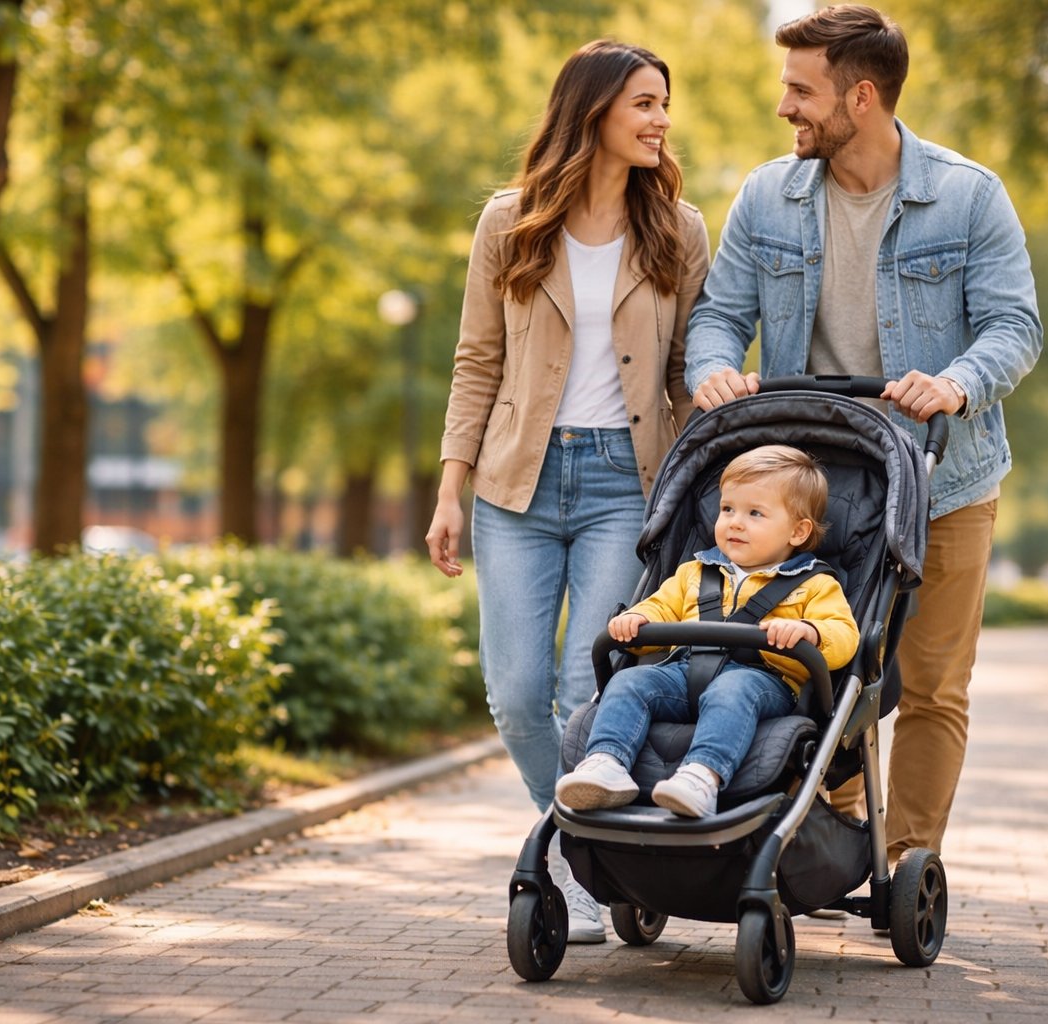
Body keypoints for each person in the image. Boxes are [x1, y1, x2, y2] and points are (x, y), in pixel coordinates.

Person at [684, 5, 1042, 866]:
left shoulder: (967, 196)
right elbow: (718, 315)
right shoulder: (768, 194)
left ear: (864, 97)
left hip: (944, 481)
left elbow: (1013, 327)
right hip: (819, 486)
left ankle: (902, 863)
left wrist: (955, 382)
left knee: (928, 687)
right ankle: (837, 835)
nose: (785, 108)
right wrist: (712, 369)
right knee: (824, 668)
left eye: (801, 91)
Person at [426, 40, 711, 942]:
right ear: (590, 111)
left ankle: (583, 867)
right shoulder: (509, 223)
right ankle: (587, 846)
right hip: (516, 481)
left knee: (584, 683)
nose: (661, 120)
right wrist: (449, 489)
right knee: (514, 692)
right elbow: (477, 361)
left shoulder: (680, 229)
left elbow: (684, 374)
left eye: (664, 103)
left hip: (626, 486)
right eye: (644, 103)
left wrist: (698, 492)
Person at [556, 445, 859, 818]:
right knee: (628, 684)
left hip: (763, 681)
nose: (734, 522)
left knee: (732, 690)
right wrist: (637, 619)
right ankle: (606, 764)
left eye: (755, 513)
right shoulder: (695, 573)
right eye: (727, 509)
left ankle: (702, 776)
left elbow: (844, 635)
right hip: (684, 672)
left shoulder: (813, 584)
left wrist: (808, 631)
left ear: (798, 531)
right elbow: (661, 606)